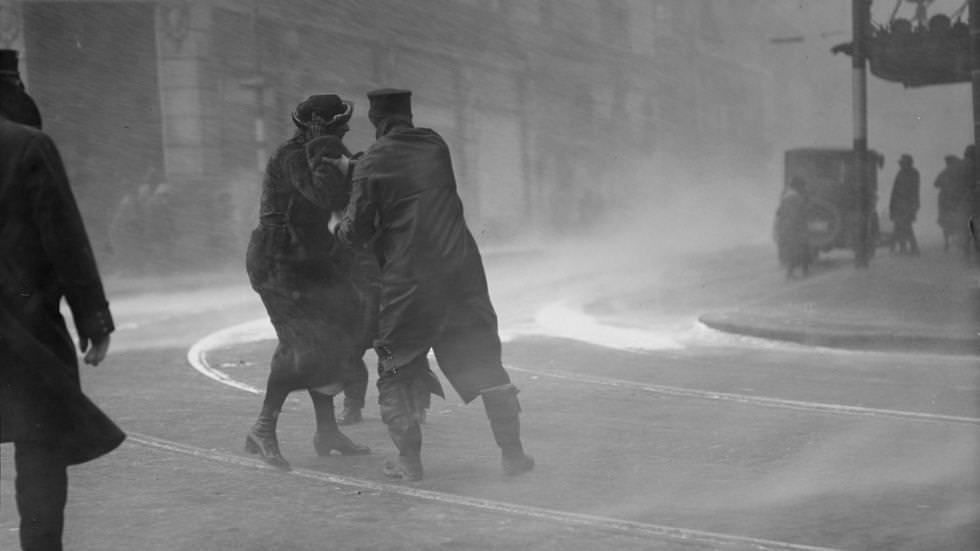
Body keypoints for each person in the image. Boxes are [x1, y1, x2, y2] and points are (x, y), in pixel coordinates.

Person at [329, 88, 534, 481]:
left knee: (396, 366)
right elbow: (403, 175)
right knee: (483, 362)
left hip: (410, 281)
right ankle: (513, 455)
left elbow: (357, 230)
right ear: (407, 115)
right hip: (461, 274)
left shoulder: (372, 161)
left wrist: (338, 225)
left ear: (375, 121)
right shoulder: (434, 145)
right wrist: (359, 169)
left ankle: (409, 461)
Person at [0, 48, 125, 551]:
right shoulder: (27, 145)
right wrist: (93, 319)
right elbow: (65, 239)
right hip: (23, 327)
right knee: (40, 448)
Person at [244, 94, 370, 470]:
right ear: (322, 126)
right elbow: (326, 195)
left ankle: (327, 431)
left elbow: (345, 199)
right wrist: (333, 154)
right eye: (339, 125)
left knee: (337, 334)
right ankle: (263, 427)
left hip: (313, 260)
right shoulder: (294, 156)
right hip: (278, 263)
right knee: (304, 346)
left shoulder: (323, 151)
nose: (346, 129)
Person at [774, 176, 811, 279]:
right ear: (798, 187)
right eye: (803, 186)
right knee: (800, 249)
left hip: (786, 228)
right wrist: (802, 228)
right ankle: (797, 272)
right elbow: (800, 215)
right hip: (794, 229)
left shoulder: (786, 197)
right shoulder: (797, 198)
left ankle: (793, 272)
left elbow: (779, 214)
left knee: (793, 250)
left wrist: (776, 229)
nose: (804, 188)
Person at [889, 153, 921, 256]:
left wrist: (913, 205)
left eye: (902, 163)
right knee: (900, 226)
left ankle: (912, 247)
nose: (901, 164)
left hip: (905, 205)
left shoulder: (912, 173)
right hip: (900, 205)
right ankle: (905, 247)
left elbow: (912, 191)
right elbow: (895, 191)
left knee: (905, 226)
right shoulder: (904, 173)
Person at [934, 154, 966, 252]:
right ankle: (961, 241)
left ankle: (947, 242)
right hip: (957, 200)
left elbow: (936, 183)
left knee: (946, 222)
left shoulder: (945, 172)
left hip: (946, 200)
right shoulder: (960, 172)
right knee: (958, 220)